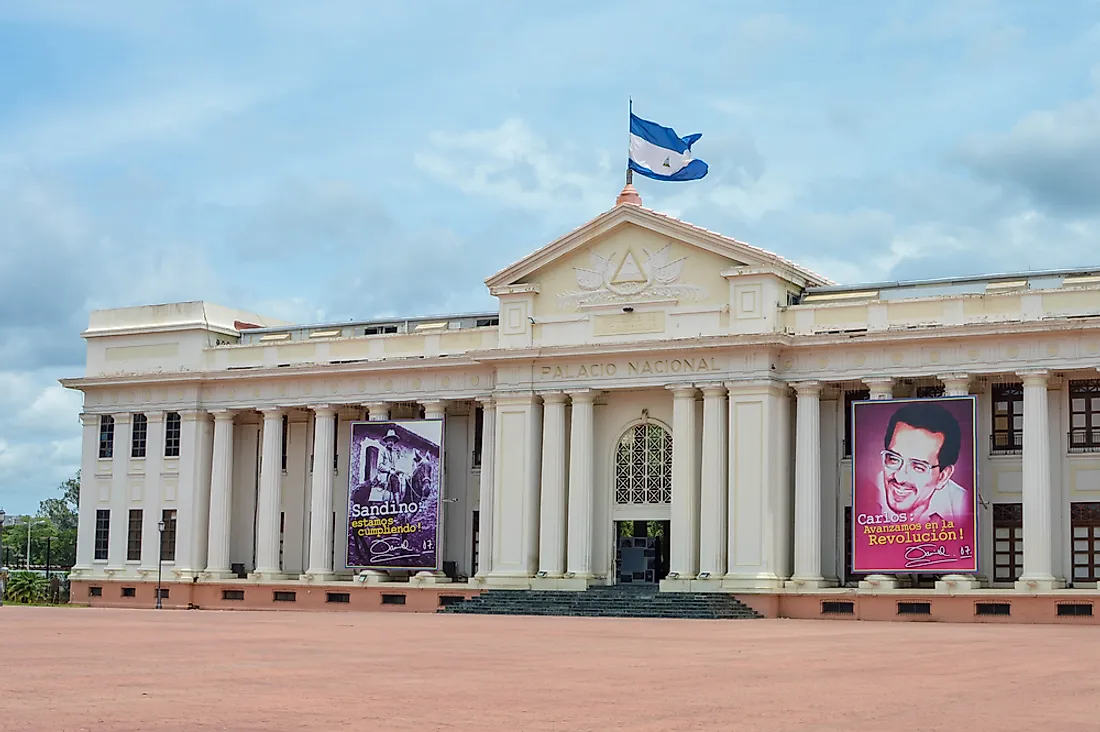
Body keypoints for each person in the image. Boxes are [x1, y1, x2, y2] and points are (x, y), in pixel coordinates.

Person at [875, 401, 969, 525]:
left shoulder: (964, 506)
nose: (899, 477)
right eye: (894, 459)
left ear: (943, 476)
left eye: (918, 467)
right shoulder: (867, 493)